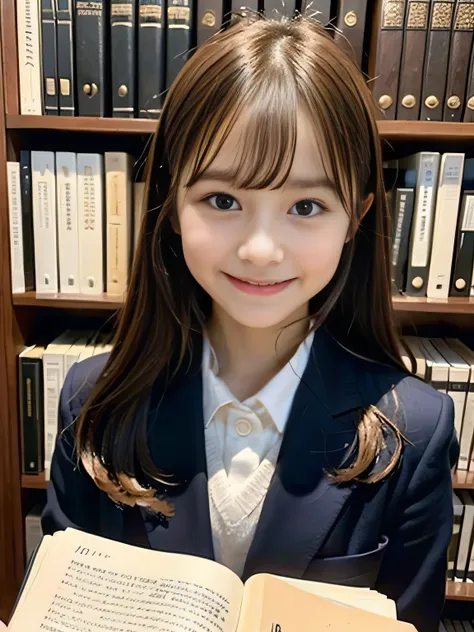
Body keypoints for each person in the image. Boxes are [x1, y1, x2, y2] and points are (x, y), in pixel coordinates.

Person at [41, 13, 456, 632]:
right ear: (172, 205)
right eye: (223, 200)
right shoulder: (94, 401)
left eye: (307, 206)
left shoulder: (415, 431)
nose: (261, 249)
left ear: (357, 217)